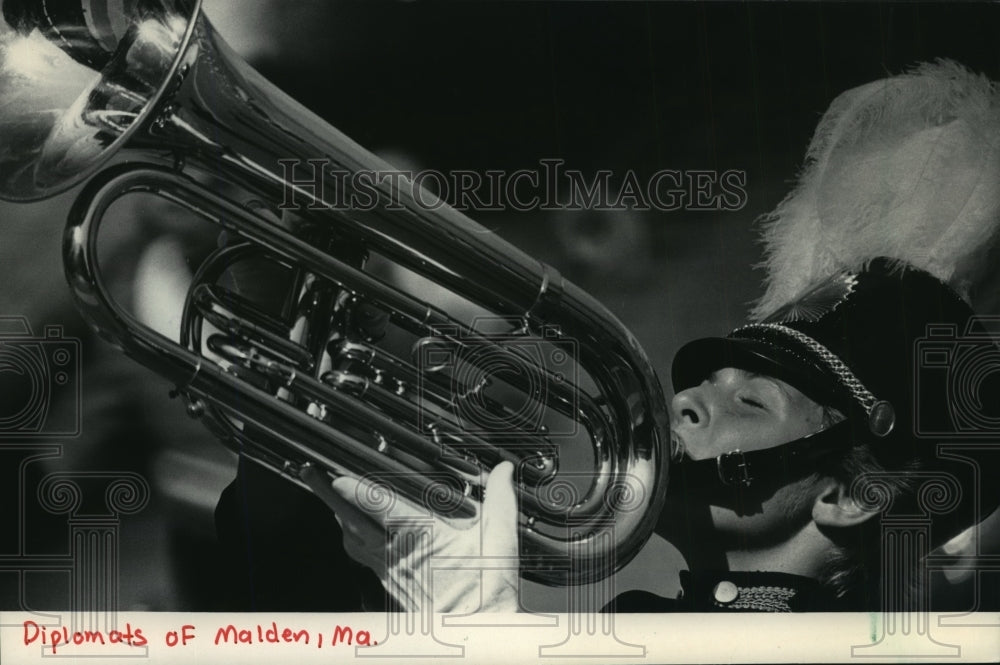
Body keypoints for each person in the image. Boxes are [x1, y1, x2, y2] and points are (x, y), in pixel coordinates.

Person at [304, 60, 1000, 613]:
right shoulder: (651, 616)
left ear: (851, 497)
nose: (689, 397)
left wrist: (473, 624)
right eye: (711, 380)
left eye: (752, 402)